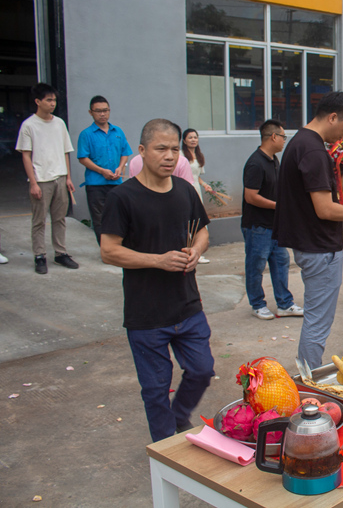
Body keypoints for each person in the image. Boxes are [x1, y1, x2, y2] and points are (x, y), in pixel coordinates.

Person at [100, 118, 214, 442]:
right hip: (146, 314)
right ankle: (165, 450)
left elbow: (203, 232)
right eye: (161, 148)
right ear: (141, 150)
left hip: (187, 305)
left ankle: (178, 417)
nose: (169, 156)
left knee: (203, 369)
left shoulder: (185, 190)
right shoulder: (123, 197)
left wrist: (196, 250)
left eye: (174, 149)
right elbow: (109, 251)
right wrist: (158, 261)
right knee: (155, 389)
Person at [273, 91, 343, 370]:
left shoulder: (298, 143)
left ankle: (307, 374)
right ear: (332, 117)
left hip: (309, 244)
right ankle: (309, 379)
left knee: (316, 319)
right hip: (319, 247)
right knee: (318, 322)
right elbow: (325, 209)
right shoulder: (313, 151)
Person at [242, 119, 303, 321]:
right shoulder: (255, 163)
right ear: (273, 137)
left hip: (275, 224)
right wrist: (279, 206)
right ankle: (257, 304)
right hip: (257, 226)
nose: (285, 141)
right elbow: (251, 197)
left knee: (281, 262)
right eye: (283, 137)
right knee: (256, 266)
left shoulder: (274, 160)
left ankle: (285, 303)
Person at [16, 82, 78, 274]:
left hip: (60, 177)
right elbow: (26, 156)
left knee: (60, 219)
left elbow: (66, 151)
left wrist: (68, 177)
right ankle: (39, 256)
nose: (53, 103)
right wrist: (33, 183)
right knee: (39, 220)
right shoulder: (29, 125)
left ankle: (61, 253)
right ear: (38, 101)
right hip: (41, 180)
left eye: (54, 100)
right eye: (49, 100)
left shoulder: (59, 124)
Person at [76, 95, 133, 245]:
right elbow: (83, 158)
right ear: (91, 112)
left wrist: (120, 167)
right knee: (100, 219)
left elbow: (125, 152)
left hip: (116, 183)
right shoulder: (86, 134)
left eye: (105, 110)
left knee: (119, 216)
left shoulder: (118, 131)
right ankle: (105, 250)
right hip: (96, 184)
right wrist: (102, 171)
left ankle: (119, 247)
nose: (102, 114)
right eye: (98, 111)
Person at [181, 128, 213, 264]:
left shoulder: (199, 155)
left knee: (198, 219)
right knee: (189, 220)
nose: (193, 140)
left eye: (195, 137)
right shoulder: (181, 156)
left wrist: (205, 185)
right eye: (190, 137)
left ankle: (198, 250)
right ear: (184, 141)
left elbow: (197, 176)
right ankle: (191, 251)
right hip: (185, 189)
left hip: (197, 190)